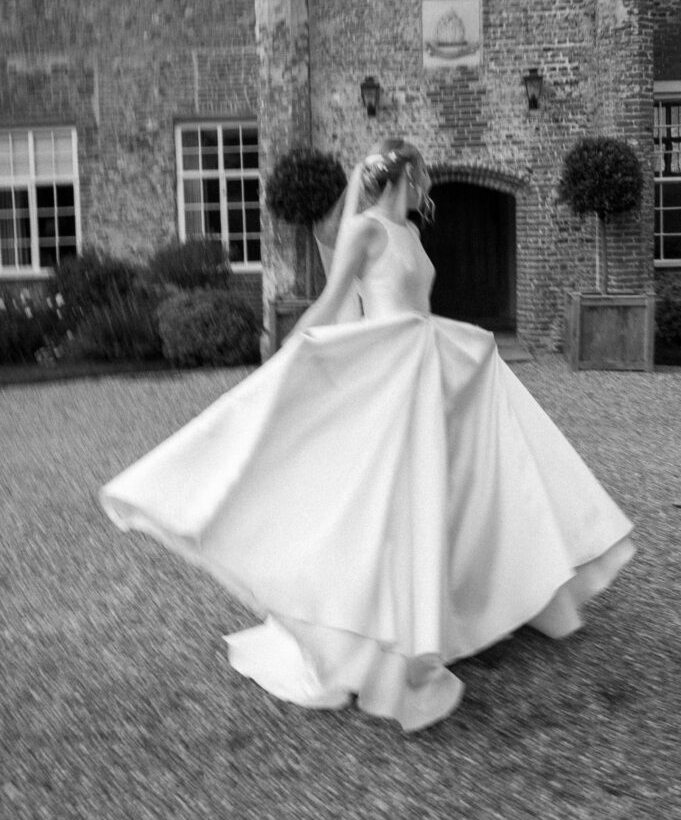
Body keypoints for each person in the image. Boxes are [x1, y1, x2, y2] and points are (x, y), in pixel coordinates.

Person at [100, 138, 634, 733]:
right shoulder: (366, 232)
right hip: (388, 372)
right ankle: (381, 630)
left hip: (428, 364)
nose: (430, 184)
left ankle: (460, 605)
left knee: (456, 482)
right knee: (389, 497)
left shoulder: (409, 232)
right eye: (425, 174)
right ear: (405, 174)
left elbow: (417, 305)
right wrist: (286, 360)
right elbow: (331, 304)